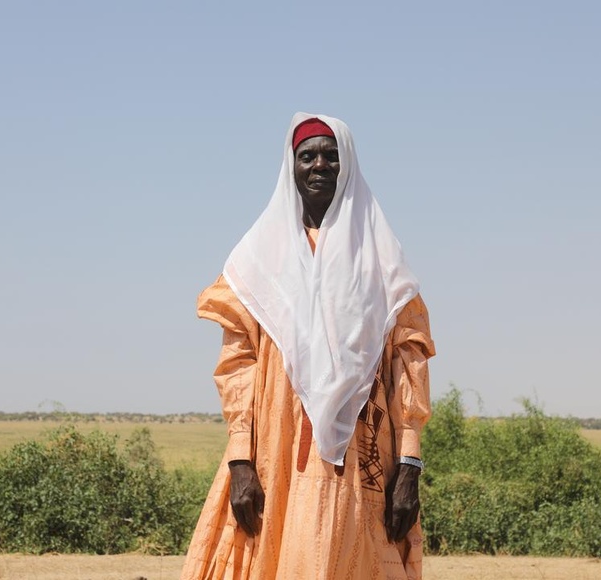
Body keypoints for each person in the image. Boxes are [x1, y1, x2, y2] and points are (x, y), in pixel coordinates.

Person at [180, 113, 435, 580]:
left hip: (364, 455)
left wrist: (410, 463)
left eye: (332, 156)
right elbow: (238, 364)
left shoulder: (381, 259)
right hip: (274, 451)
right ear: (291, 166)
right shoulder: (260, 259)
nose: (320, 165)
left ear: (349, 167)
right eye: (308, 156)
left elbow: (408, 361)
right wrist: (241, 459)